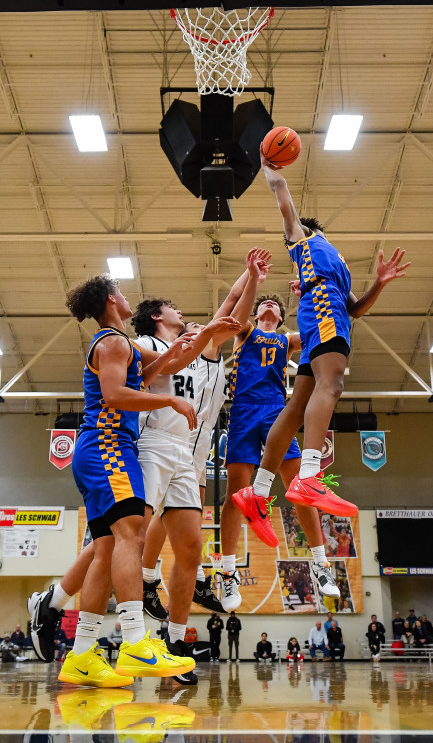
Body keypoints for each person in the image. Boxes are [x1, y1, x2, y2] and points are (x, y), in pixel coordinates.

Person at [233, 163, 409, 560]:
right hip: (322, 308)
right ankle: (309, 476)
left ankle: (258, 492)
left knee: (297, 406)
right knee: (333, 385)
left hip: (333, 312)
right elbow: (283, 200)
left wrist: (379, 283)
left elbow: (358, 310)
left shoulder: (338, 267)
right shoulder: (304, 239)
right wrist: (267, 167)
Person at [53, 274, 207, 689]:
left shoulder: (121, 342)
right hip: (108, 448)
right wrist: (170, 399)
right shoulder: (112, 342)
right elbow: (118, 395)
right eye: (120, 292)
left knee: (105, 549)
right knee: (131, 535)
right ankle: (135, 641)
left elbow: (157, 368)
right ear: (109, 300)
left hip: (98, 451)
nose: (127, 297)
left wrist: (182, 349)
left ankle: (82, 654)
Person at [132, 254, 261, 685]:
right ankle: (129, 621)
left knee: (189, 549)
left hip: (190, 451)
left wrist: (253, 276)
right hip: (153, 444)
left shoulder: (204, 348)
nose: (184, 313)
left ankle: (175, 640)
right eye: (173, 308)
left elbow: (232, 313)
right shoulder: (150, 346)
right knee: (134, 533)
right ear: (157, 317)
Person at [217, 287, 341, 611]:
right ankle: (227, 572)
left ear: (282, 318)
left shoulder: (288, 340)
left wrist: (308, 295)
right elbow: (237, 316)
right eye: (264, 304)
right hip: (243, 409)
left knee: (299, 486)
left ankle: (321, 565)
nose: (269, 304)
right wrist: (254, 280)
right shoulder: (246, 332)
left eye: (275, 303)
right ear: (258, 314)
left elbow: (320, 329)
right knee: (235, 492)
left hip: (275, 409)